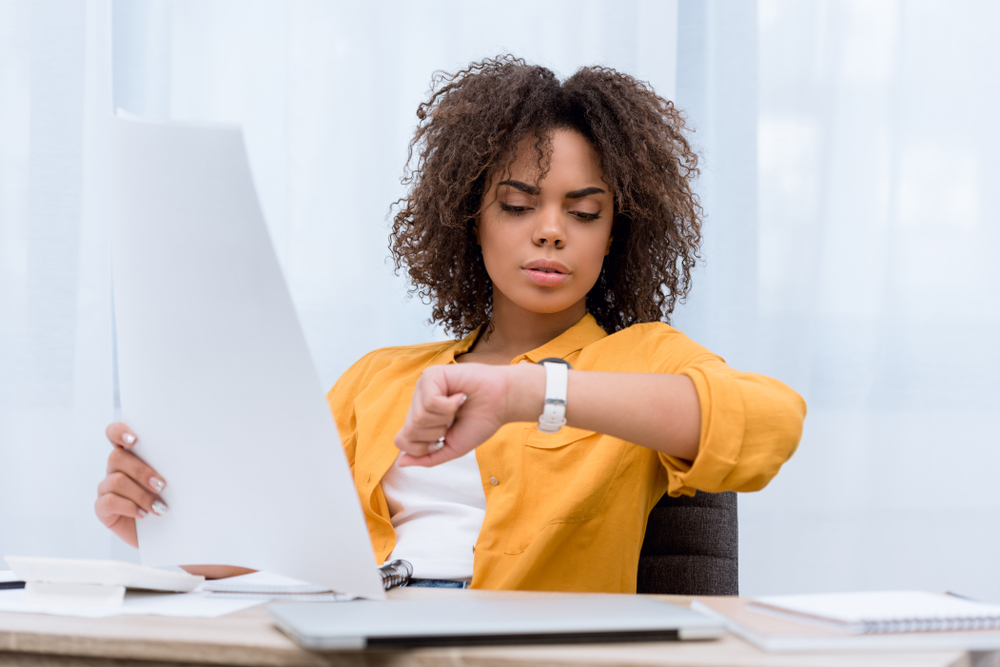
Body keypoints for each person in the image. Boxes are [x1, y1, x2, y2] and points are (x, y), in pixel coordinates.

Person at [96, 56, 806, 592]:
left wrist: (529, 395)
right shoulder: (380, 378)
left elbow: (773, 424)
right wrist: (159, 525)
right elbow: (294, 547)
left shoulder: (646, 358)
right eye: (518, 204)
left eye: (584, 211)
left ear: (617, 233)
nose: (552, 232)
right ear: (469, 219)